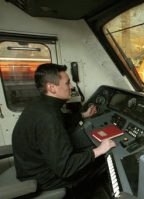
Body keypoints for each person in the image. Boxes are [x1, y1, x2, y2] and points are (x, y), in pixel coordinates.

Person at [12, 63, 116, 198]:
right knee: (103, 160)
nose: (71, 87)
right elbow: (66, 168)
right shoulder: (48, 118)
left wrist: (83, 115)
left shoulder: (40, 104)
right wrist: (100, 150)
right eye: (67, 83)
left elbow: (60, 119)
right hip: (42, 178)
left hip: (30, 166)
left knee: (87, 152)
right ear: (52, 88)